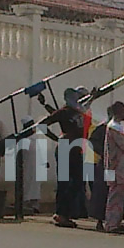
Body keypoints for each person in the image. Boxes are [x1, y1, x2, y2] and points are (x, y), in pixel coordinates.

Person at [39, 87, 90, 228]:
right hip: (66, 149)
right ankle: (61, 214)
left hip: (76, 150)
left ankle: (64, 213)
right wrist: (56, 138)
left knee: (77, 182)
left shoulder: (79, 111)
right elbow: (43, 124)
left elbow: (88, 103)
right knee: (66, 183)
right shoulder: (65, 111)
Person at [104, 102, 124, 233]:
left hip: (117, 167)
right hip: (115, 167)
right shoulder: (114, 127)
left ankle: (116, 221)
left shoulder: (117, 126)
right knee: (115, 196)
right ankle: (111, 224)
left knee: (119, 196)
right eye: (123, 111)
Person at [88, 106, 113, 232]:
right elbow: (92, 142)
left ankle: (114, 220)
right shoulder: (103, 128)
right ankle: (99, 220)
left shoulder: (118, 128)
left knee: (113, 192)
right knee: (101, 192)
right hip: (104, 164)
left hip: (115, 165)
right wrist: (104, 152)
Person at [20, 116, 42, 214]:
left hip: (37, 166)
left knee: (35, 186)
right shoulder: (22, 138)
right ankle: (25, 205)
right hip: (27, 165)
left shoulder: (35, 137)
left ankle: (35, 205)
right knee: (27, 184)